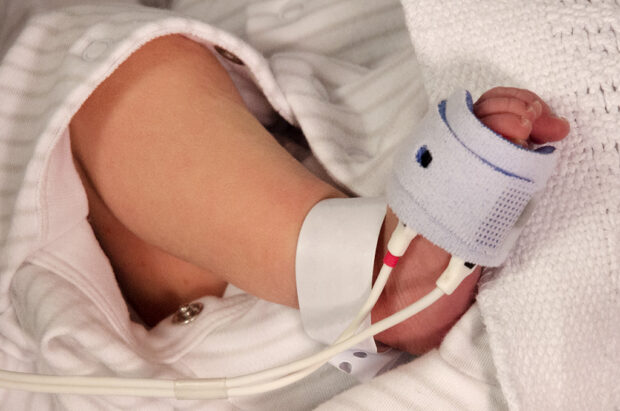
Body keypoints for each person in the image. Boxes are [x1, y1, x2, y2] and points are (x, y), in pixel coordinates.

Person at [68, 34, 570, 355]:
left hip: (268, 271)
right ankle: (369, 276)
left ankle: (368, 274)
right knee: (91, 61)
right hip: (122, 343)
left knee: (108, 70)